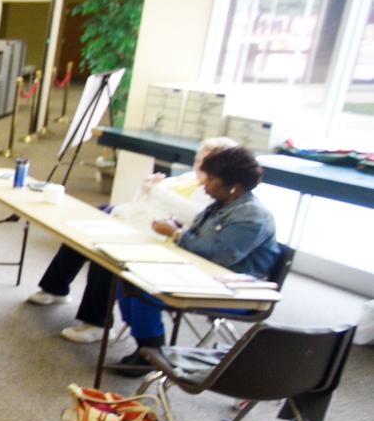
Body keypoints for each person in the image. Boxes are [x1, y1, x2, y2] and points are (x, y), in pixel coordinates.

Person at [84, 146, 280, 373]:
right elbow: (199, 240)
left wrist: (176, 234)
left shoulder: (252, 215)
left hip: (236, 291)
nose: (204, 185)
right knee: (128, 275)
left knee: (144, 289)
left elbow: (220, 255)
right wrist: (178, 229)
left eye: (212, 179)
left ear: (233, 185)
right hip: (203, 274)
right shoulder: (221, 205)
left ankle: (151, 350)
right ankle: (146, 343)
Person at [29, 136, 240, 343]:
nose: (199, 167)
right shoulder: (185, 179)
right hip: (135, 220)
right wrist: (148, 189)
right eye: (197, 160)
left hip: (159, 238)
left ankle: (97, 324)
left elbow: (192, 215)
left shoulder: (212, 192)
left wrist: (157, 190)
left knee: (104, 252)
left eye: (206, 162)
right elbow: (144, 198)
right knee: (79, 231)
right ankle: (55, 288)